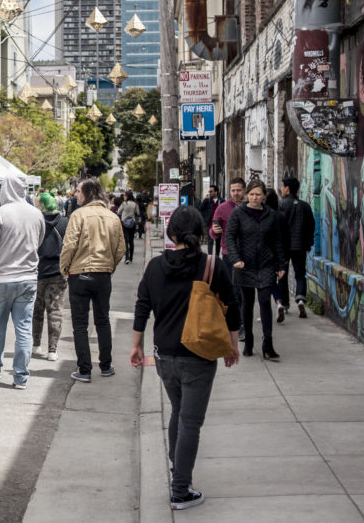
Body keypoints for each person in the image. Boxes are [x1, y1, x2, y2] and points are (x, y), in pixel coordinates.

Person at [131, 206, 241, 511]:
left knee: (178, 411)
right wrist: (232, 345)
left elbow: (142, 306)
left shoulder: (155, 266)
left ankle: (177, 468)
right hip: (199, 355)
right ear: (201, 232)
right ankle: (180, 491)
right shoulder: (212, 266)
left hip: (164, 355)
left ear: (172, 233)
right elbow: (233, 306)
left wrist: (136, 345)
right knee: (190, 422)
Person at [0, 171, 45, 390]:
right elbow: (39, 241)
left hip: (0, 278)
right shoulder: (36, 214)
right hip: (28, 277)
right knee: (24, 328)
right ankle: (20, 377)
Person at [59, 177, 125, 382]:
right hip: (103, 274)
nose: (76, 194)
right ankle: (105, 365)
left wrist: (64, 268)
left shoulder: (78, 215)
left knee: (80, 323)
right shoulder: (112, 217)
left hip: (79, 273)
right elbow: (121, 248)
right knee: (102, 320)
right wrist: (109, 266)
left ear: (87, 193)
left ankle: (85, 369)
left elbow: (69, 245)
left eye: (79, 191)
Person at [225, 179, 287, 360]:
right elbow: (230, 237)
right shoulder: (238, 213)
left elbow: (278, 241)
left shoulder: (271, 216)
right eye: (251, 194)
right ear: (247, 195)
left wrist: (281, 265)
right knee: (247, 302)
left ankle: (268, 343)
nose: (254, 197)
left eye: (258, 194)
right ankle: (249, 340)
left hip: (266, 264)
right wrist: (235, 259)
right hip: (245, 265)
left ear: (264, 196)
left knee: (265, 300)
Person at [33, 192, 68, 362]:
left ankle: (36, 345)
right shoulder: (65, 222)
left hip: (38, 271)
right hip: (58, 272)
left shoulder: (36, 222)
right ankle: (52, 350)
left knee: (37, 310)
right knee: (55, 311)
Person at [209, 177, 246, 338]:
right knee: (235, 291)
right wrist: (215, 231)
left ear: (244, 190)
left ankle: (243, 321)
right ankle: (239, 324)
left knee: (246, 292)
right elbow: (213, 232)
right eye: (233, 190)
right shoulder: (222, 209)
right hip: (229, 255)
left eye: (238, 190)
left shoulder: (250, 207)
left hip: (249, 255)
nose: (236, 193)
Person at [279, 177, 316, 319]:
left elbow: (276, 226)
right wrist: (308, 243)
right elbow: (311, 226)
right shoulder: (305, 206)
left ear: (287, 188)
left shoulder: (281, 205)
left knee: (282, 275)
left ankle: (284, 304)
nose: (281, 189)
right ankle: (300, 299)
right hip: (300, 246)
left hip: (283, 247)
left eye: (282, 186)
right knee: (300, 274)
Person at [117, 190, 140, 264]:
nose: (124, 197)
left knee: (126, 241)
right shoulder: (135, 204)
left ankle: (126, 258)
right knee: (131, 241)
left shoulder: (124, 204)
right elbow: (138, 213)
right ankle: (131, 258)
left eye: (125, 195)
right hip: (132, 223)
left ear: (128, 196)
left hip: (125, 224)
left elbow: (119, 211)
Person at [198, 186, 221, 255]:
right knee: (210, 241)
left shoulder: (221, 201)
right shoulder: (207, 201)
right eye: (209, 191)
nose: (209, 193)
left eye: (211, 191)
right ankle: (210, 256)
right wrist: (204, 200)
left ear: (216, 192)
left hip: (218, 224)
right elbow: (200, 209)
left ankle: (217, 256)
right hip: (209, 223)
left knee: (218, 241)